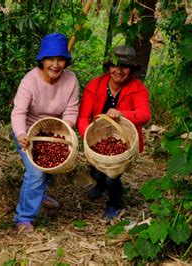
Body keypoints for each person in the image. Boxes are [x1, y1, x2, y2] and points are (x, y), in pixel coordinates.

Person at [11, 33, 79, 233]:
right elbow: (18, 112)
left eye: (60, 60)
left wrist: (65, 128)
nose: (55, 65)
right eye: (50, 59)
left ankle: (39, 195)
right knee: (36, 172)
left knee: (51, 163)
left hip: (55, 130)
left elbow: (72, 109)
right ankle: (23, 217)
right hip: (29, 131)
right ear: (42, 60)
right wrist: (22, 134)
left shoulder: (71, 80)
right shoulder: (30, 81)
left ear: (66, 62)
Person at [76, 45, 151, 220]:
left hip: (123, 142)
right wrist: (88, 136)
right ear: (109, 66)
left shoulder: (137, 88)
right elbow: (83, 118)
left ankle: (114, 203)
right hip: (97, 138)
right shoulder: (95, 85)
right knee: (95, 171)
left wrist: (122, 114)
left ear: (131, 69)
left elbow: (144, 115)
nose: (119, 71)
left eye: (124, 66)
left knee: (112, 177)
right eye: (115, 65)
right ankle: (100, 184)